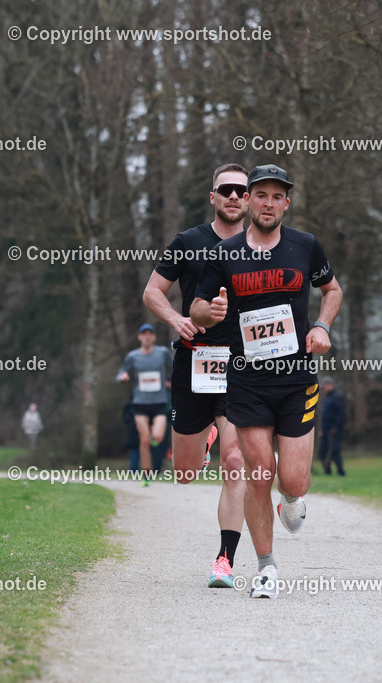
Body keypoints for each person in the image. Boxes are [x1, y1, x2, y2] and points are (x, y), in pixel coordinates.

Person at [191, 163, 343, 599]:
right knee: (259, 474)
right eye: (261, 196)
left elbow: (332, 290)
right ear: (250, 201)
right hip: (247, 381)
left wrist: (322, 327)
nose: (268, 204)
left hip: (296, 380)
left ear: (286, 203)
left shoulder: (305, 247)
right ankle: (266, 567)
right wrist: (209, 313)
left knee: (292, 481)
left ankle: (292, 499)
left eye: (278, 197)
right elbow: (199, 307)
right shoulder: (224, 254)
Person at [143, 162, 249, 588]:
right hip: (193, 361)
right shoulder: (189, 242)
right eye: (226, 189)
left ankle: (224, 560)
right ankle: (202, 437)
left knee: (236, 460)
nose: (234, 197)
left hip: (241, 365)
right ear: (213, 196)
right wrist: (175, 319)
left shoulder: (261, 246)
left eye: (242, 191)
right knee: (185, 473)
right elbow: (152, 291)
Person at [116, 324, 173, 484]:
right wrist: (123, 377)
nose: (147, 337)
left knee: (158, 436)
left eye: (150, 334)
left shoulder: (162, 353)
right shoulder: (133, 356)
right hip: (140, 403)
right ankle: (146, 475)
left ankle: (154, 443)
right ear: (139, 337)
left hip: (159, 403)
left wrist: (170, 382)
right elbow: (121, 372)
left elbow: (176, 366)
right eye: (144, 334)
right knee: (144, 439)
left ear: (153, 337)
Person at [319, 377, 346, 476]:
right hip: (326, 429)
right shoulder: (327, 398)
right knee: (323, 451)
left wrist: (336, 427)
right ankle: (327, 471)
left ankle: (341, 471)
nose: (324, 389)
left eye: (325, 386)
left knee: (335, 450)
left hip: (334, 429)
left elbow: (341, 414)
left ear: (330, 385)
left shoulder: (337, 397)